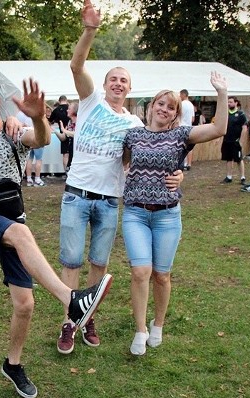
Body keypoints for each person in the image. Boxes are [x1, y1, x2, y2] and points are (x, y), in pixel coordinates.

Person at [0, 78, 113, 398]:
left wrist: (37, 116)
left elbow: (40, 138)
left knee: (25, 304)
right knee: (22, 233)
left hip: (11, 221)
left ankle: (13, 365)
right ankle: (72, 300)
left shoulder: (13, 131)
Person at [56, 0, 183, 356]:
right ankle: (69, 322)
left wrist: (178, 176)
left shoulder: (134, 124)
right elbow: (75, 64)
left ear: (129, 89)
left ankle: (88, 317)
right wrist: (90, 30)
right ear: (106, 84)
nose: (117, 83)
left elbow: (152, 157)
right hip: (77, 195)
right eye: (113, 78)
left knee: (99, 264)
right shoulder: (91, 100)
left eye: (123, 80)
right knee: (70, 263)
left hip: (111, 201)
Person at [123, 72, 228, 355]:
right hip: (135, 213)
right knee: (140, 271)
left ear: (174, 115)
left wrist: (221, 93)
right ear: (151, 106)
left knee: (162, 275)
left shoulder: (181, 135)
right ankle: (140, 329)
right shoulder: (132, 135)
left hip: (168, 216)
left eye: (171, 107)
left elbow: (219, 129)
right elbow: (119, 165)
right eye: (160, 103)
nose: (164, 109)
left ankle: (158, 324)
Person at [220, 96, 246, 185]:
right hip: (227, 140)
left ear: (236, 103)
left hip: (236, 141)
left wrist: (241, 141)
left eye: (231, 102)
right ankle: (229, 176)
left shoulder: (241, 114)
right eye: (228, 102)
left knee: (239, 159)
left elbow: (244, 128)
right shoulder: (226, 114)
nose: (229, 104)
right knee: (228, 159)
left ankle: (242, 177)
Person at [179, 89, 194, 170]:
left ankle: (183, 163)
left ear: (183, 94)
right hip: (189, 127)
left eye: (180, 94)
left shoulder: (181, 104)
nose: (179, 96)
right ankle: (189, 164)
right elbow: (193, 119)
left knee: (181, 146)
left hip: (181, 127)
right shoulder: (191, 105)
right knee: (189, 147)